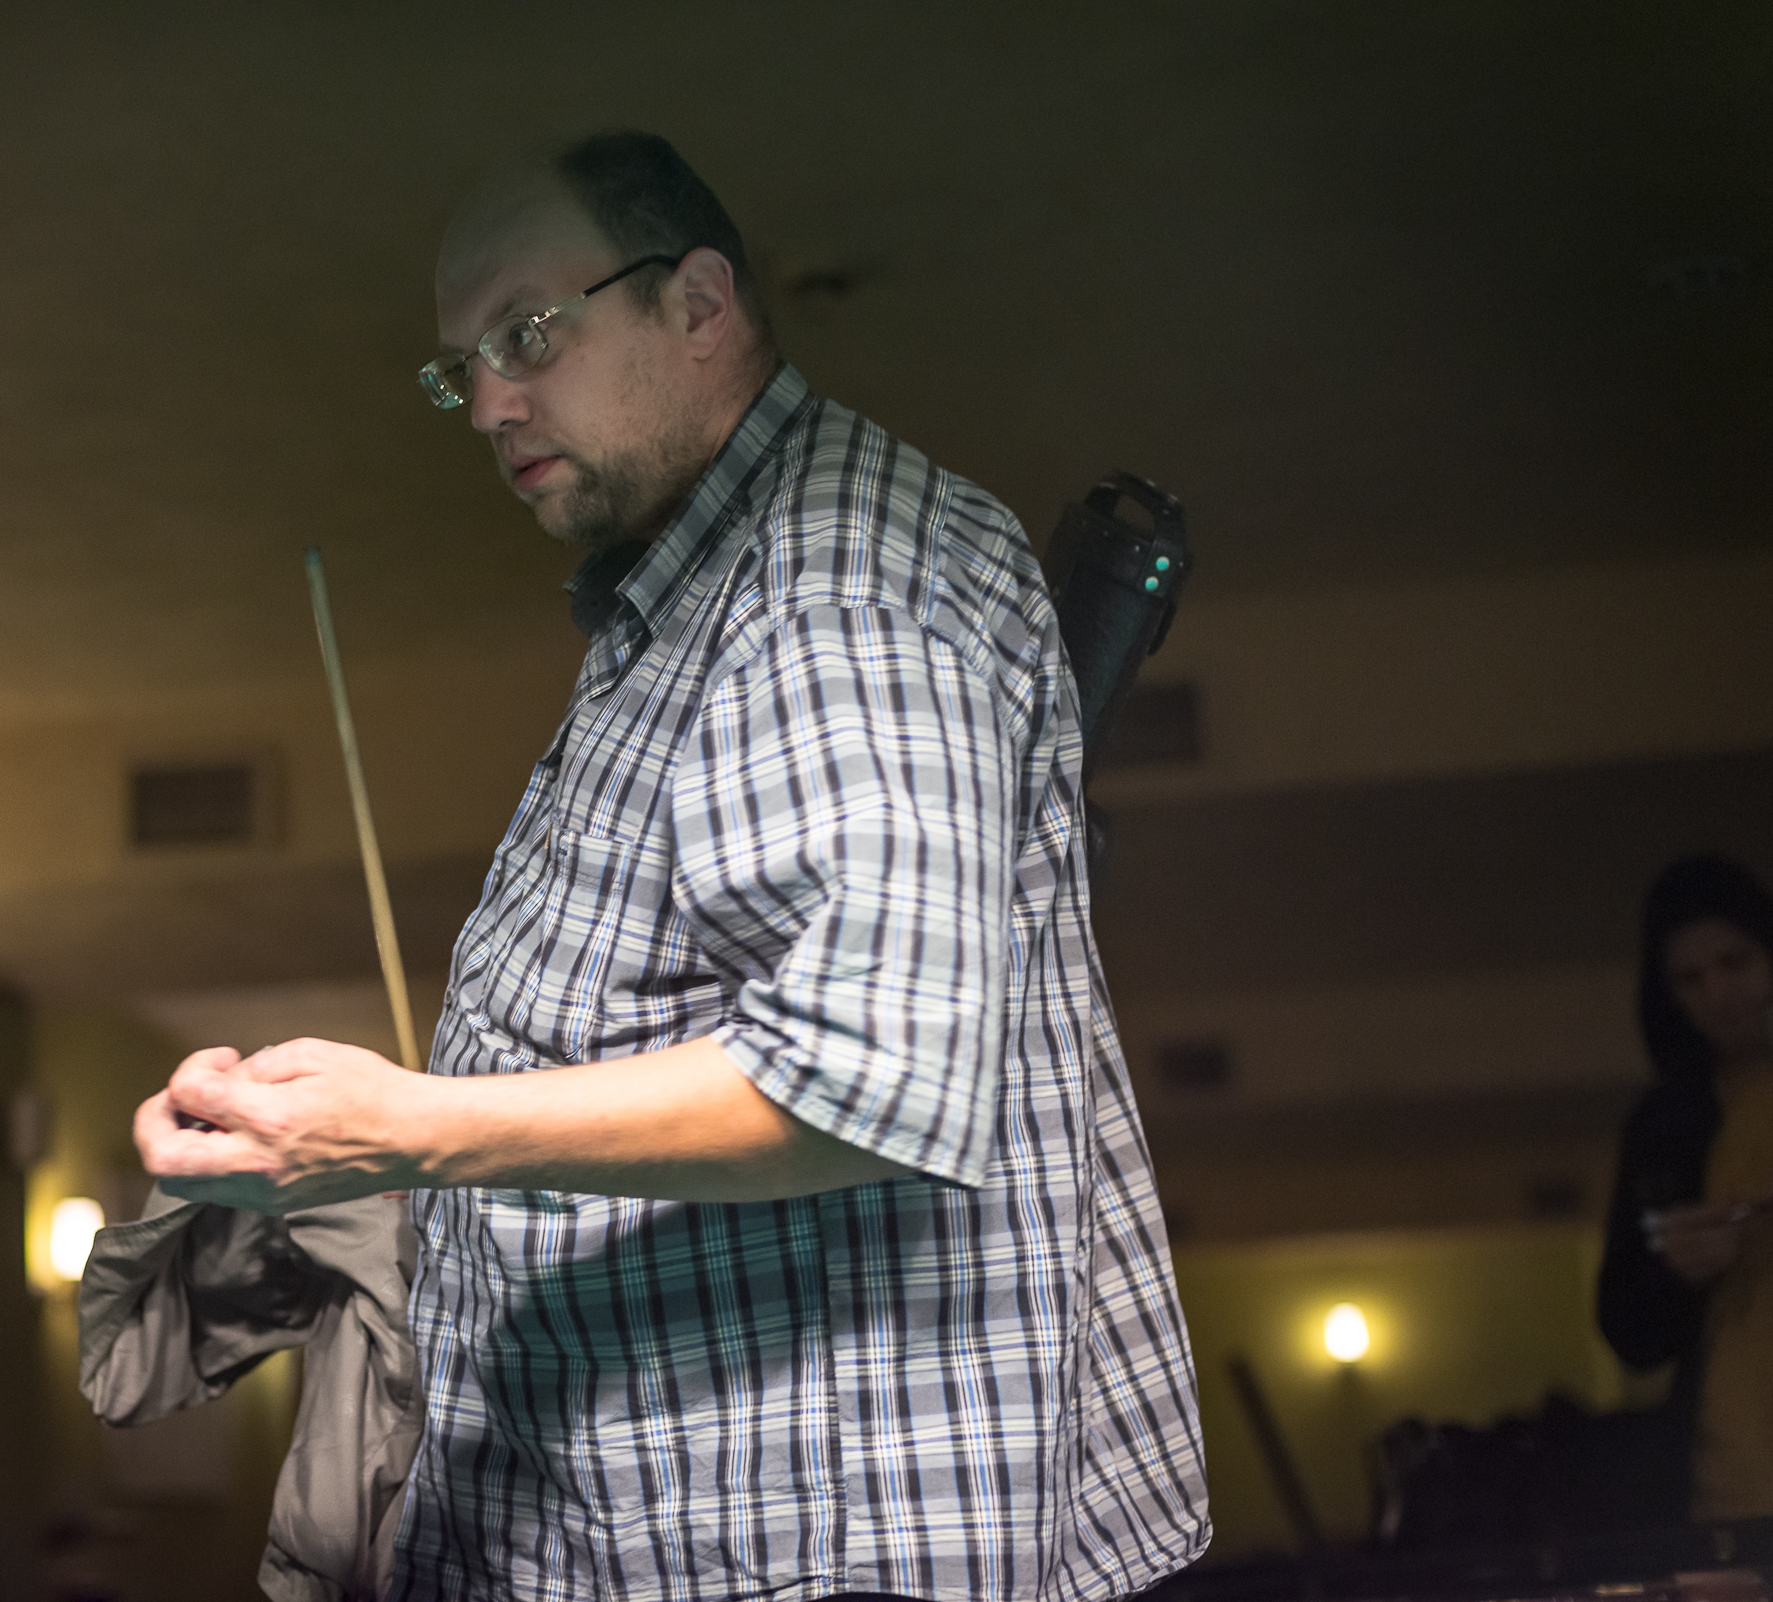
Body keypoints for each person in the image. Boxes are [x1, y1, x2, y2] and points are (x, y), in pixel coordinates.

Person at [131, 130, 1210, 1601]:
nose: (489, 402)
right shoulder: (697, 600)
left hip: (818, 1555)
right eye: (462, 369)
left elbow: (863, 1076)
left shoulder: (832, 579)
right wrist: (378, 1180)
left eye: (528, 332)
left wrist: (412, 1129)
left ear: (699, 303)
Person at [1598, 853, 1773, 1522]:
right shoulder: (1668, 1124)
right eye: (1690, 979)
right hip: (1730, 1482)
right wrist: (1676, 1270)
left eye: (1735, 962)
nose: (1718, 993)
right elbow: (1627, 1326)